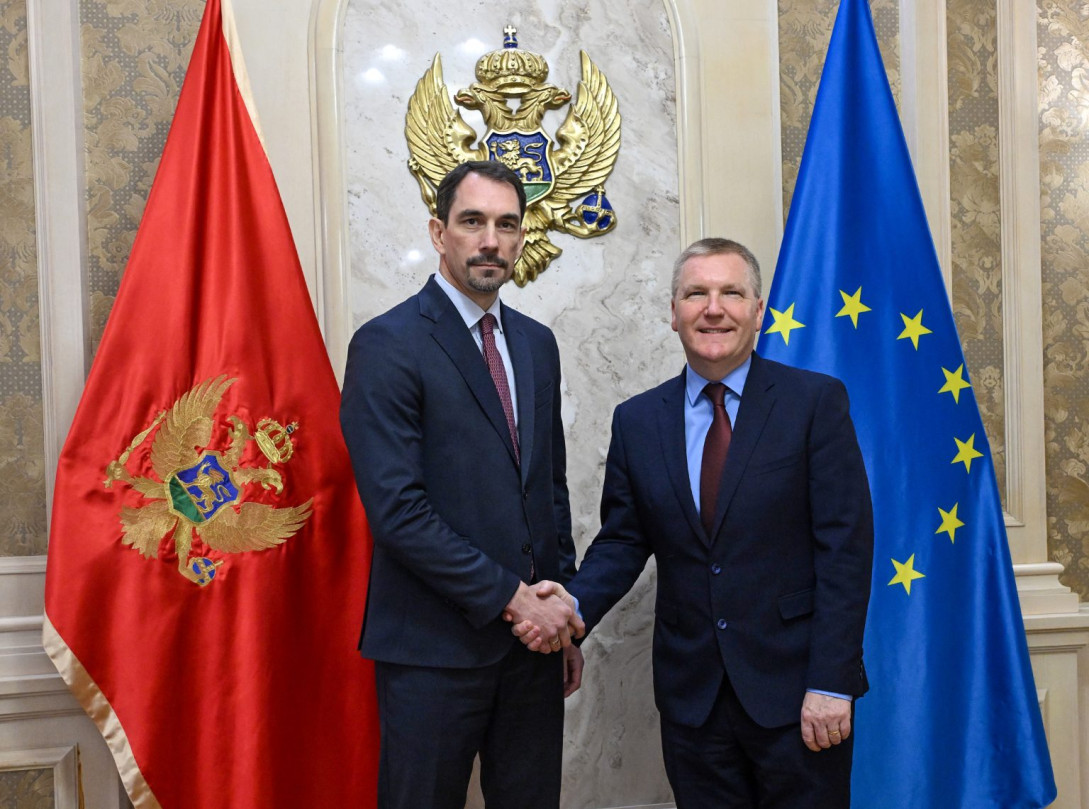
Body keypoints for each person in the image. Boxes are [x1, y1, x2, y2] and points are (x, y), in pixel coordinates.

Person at [516, 238, 873, 808]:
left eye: (732, 293)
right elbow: (624, 541)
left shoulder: (813, 404)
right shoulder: (637, 420)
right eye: (696, 294)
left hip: (797, 694)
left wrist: (831, 683)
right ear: (673, 311)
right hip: (693, 701)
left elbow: (845, 550)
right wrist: (570, 611)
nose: (714, 308)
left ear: (758, 310)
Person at [340, 160, 584, 809]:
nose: (489, 240)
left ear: (521, 238)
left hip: (532, 652)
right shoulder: (386, 344)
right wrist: (513, 597)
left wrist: (561, 612)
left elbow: (548, 490)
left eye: (506, 224)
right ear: (437, 231)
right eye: (472, 221)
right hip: (431, 655)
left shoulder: (536, 344)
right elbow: (398, 513)